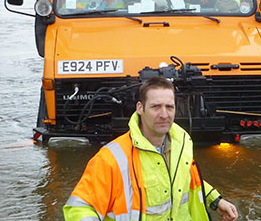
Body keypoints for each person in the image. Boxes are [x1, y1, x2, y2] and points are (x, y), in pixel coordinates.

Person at [64, 76, 239, 221]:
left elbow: (186, 180)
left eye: (169, 107)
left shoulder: (182, 144)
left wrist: (216, 201)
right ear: (140, 108)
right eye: (156, 107)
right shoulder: (112, 158)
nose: (164, 114)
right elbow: (80, 209)